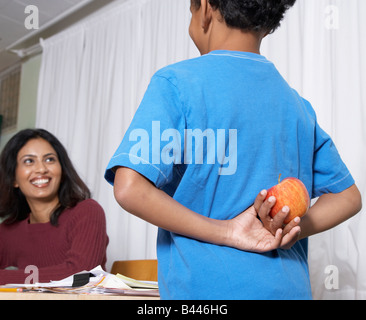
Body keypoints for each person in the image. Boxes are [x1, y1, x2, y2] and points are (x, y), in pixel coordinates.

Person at [104, 0, 362, 299]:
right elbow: (349, 197)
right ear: (267, 23)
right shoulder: (297, 107)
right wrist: (285, 229)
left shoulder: (176, 84)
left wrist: (228, 231)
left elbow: (129, 188)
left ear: (204, 9)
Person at [0, 129, 108, 285]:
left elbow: (82, 274)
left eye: (50, 159)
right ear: (13, 179)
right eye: (29, 161)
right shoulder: (7, 231)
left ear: (62, 171)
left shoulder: (87, 212)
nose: (41, 169)